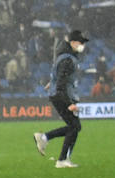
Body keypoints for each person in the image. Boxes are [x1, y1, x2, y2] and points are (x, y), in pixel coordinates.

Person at [34, 29, 90, 168]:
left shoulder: (64, 56)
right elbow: (60, 84)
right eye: (81, 43)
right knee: (74, 126)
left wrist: (51, 83)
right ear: (73, 43)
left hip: (59, 95)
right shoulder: (68, 59)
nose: (83, 45)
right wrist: (69, 104)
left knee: (74, 126)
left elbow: (58, 77)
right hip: (61, 96)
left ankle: (47, 141)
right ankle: (61, 158)